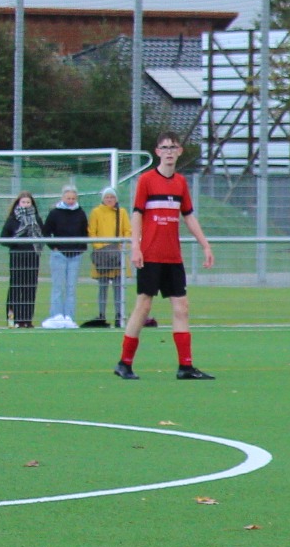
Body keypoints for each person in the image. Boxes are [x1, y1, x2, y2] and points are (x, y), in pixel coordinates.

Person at [115, 132, 214, 379]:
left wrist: (205, 245)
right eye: (165, 147)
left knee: (182, 307)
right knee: (143, 306)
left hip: (173, 257)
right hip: (150, 255)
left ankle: (185, 366)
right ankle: (124, 363)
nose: (169, 152)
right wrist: (136, 247)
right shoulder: (146, 180)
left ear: (179, 151)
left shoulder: (180, 182)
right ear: (158, 152)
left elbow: (188, 216)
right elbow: (137, 214)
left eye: (173, 147)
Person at [41, 185, 88, 328]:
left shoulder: (80, 213)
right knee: (58, 287)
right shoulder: (55, 213)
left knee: (71, 288)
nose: (71, 201)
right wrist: (53, 246)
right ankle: (56, 316)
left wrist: (81, 248)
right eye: (68, 198)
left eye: (73, 198)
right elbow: (46, 232)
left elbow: (84, 232)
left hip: (75, 255)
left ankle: (69, 317)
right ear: (63, 198)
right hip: (59, 254)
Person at [85, 188, 129, 328]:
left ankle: (119, 315)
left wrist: (120, 246)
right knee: (102, 287)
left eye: (112, 197)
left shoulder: (122, 212)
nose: (109, 200)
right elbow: (92, 232)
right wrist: (100, 247)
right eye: (107, 197)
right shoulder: (96, 212)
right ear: (103, 199)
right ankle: (101, 315)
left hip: (117, 255)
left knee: (118, 287)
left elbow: (127, 231)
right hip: (102, 256)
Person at [0, 193, 40, 328]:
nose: (26, 205)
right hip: (17, 258)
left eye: (28, 202)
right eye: (23, 202)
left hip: (32, 258)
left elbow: (42, 236)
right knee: (16, 288)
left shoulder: (37, 219)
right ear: (18, 203)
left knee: (30, 288)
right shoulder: (12, 219)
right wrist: (17, 242)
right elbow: (3, 238)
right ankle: (13, 319)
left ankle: (27, 320)